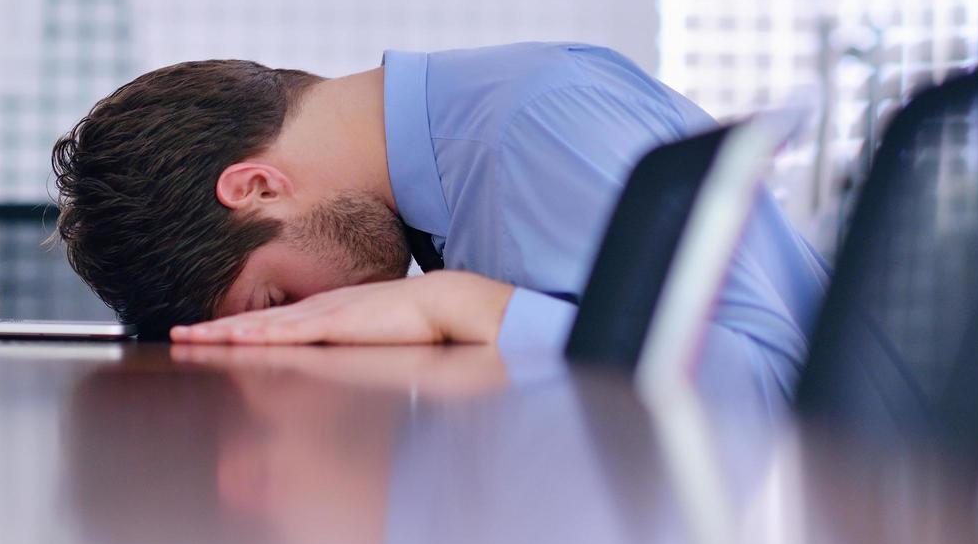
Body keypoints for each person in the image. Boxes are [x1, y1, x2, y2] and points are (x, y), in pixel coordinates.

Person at [52, 42, 827, 389]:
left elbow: (781, 387)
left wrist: (464, 306)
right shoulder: (458, 173)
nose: (321, 322)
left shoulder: (532, 129)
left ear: (255, 188)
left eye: (278, 303)